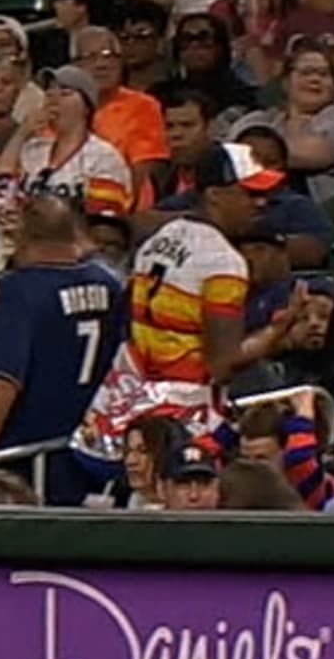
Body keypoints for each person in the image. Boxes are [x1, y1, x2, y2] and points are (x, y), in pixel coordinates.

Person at [73, 143, 305, 484]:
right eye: (249, 193)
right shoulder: (223, 262)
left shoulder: (162, 238)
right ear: (214, 195)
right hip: (179, 424)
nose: (261, 203)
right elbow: (221, 365)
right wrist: (277, 331)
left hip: (121, 410)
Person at [0, 196, 128, 503]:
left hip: (32, 451)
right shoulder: (109, 284)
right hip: (92, 447)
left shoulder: (19, 290)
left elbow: (3, 376)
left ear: (24, 235)